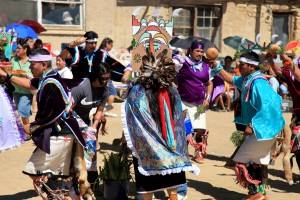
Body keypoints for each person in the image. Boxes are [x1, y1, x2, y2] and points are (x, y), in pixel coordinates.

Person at [0, 48, 91, 199]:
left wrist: (31, 127)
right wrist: (7, 76)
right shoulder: (47, 78)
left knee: (34, 172)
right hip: (60, 134)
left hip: (61, 135)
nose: (29, 67)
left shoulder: (51, 83)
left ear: (43, 64)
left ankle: (59, 196)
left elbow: (52, 114)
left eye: (32, 64)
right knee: (52, 176)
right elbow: (30, 83)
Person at [123, 49, 199, 200]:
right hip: (172, 147)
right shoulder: (171, 89)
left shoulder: (138, 91)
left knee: (149, 190)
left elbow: (132, 118)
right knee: (173, 190)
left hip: (149, 147)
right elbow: (179, 117)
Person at [209, 50, 285, 199]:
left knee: (242, 160)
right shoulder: (247, 80)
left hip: (262, 130)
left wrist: (253, 124)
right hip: (262, 130)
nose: (239, 66)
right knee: (255, 161)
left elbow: (272, 104)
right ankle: (258, 193)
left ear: (251, 66)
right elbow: (231, 79)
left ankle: (256, 192)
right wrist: (218, 66)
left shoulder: (258, 83)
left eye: (242, 64)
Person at [173, 40, 213, 164]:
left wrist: (208, 98)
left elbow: (209, 83)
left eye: (202, 51)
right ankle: (182, 152)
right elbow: (170, 65)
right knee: (185, 129)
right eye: (197, 51)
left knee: (200, 130)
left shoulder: (206, 67)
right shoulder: (182, 62)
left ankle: (199, 152)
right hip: (184, 101)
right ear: (191, 50)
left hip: (199, 104)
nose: (200, 53)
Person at [71, 62, 109, 188]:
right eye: (103, 79)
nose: (105, 81)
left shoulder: (104, 91)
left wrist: (94, 126)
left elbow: (99, 111)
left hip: (87, 125)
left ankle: (92, 185)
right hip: (71, 123)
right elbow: (68, 110)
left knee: (90, 156)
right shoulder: (80, 88)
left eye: (108, 78)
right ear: (95, 76)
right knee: (73, 156)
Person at [266, 52, 300, 179]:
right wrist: (270, 62)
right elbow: (279, 72)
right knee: (297, 148)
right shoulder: (291, 73)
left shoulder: (296, 73)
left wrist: (287, 60)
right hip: (298, 115)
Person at [10, 38, 33, 127]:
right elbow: (9, 72)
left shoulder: (31, 61)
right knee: (22, 111)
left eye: (19, 48)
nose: (17, 50)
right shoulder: (13, 60)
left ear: (25, 49)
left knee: (22, 110)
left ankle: (28, 131)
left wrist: (27, 74)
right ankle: (28, 128)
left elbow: (34, 75)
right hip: (16, 90)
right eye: (17, 48)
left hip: (27, 91)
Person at [99, 37, 118, 117]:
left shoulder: (99, 52)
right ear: (107, 44)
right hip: (105, 74)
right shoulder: (104, 53)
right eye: (111, 45)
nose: (112, 47)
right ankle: (108, 110)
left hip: (101, 75)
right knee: (112, 92)